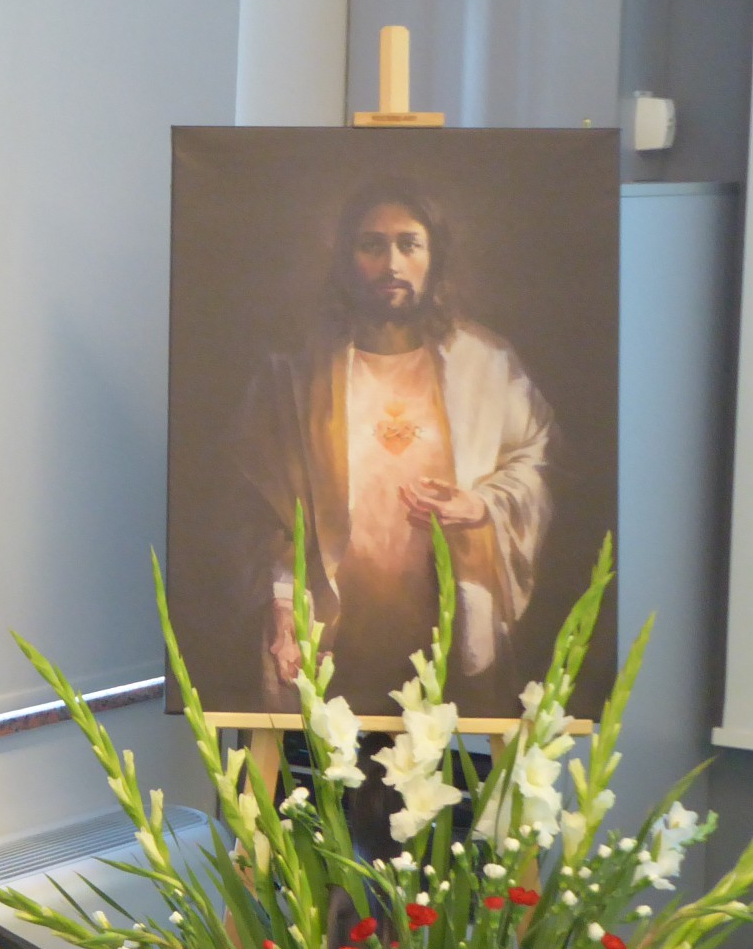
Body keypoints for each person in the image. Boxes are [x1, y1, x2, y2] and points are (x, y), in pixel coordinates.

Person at [234, 178, 553, 712]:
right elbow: (258, 507)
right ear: (345, 258)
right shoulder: (294, 375)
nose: (392, 264)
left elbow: (538, 460)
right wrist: (283, 607)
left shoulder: (485, 365)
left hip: (448, 641)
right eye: (372, 245)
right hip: (327, 640)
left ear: (434, 256)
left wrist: (481, 505)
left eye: (409, 244)